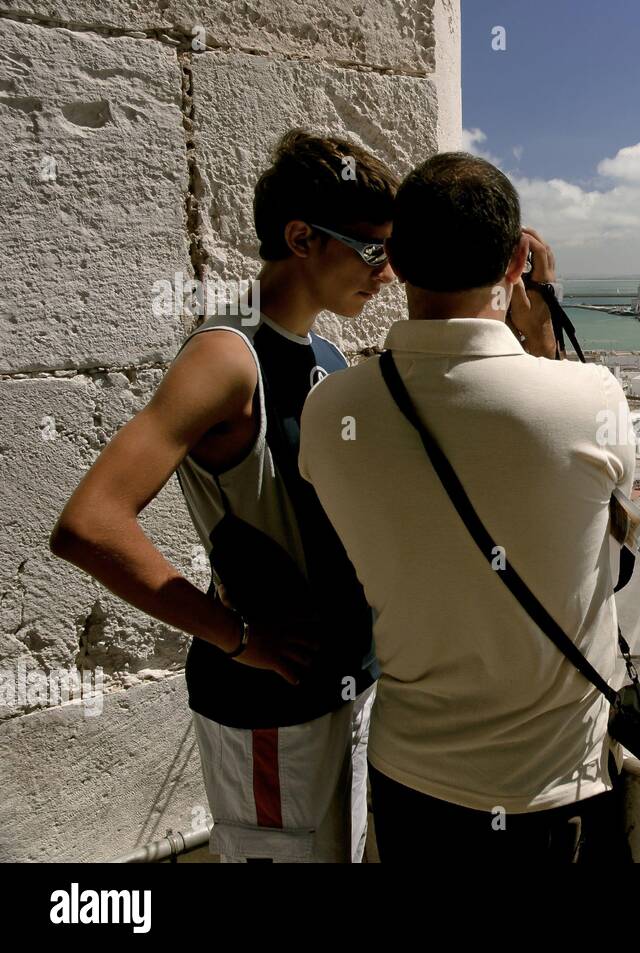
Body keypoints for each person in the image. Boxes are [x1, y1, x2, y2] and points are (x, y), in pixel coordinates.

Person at [50, 130, 399, 862]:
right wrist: (235, 638)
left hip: (345, 694)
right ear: (302, 238)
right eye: (372, 251)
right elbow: (89, 522)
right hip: (270, 714)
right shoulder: (224, 356)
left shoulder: (328, 356)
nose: (388, 274)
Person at [298, 152, 636, 862]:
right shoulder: (592, 399)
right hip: (554, 792)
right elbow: (602, 518)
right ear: (518, 261)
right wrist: (540, 320)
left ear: (393, 259)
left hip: (409, 785)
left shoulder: (330, 411)